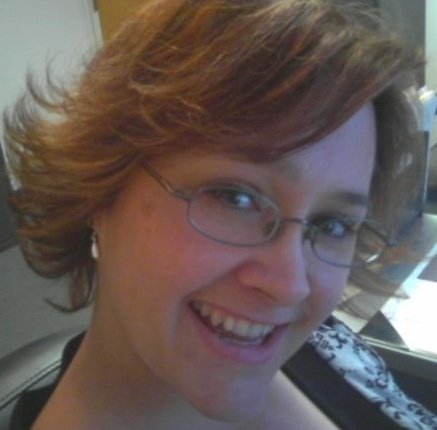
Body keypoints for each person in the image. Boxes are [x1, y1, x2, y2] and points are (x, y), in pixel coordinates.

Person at [3, 0, 437, 429]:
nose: (290, 287)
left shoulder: (311, 340)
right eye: (235, 198)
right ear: (101, 192)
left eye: (331, 224)